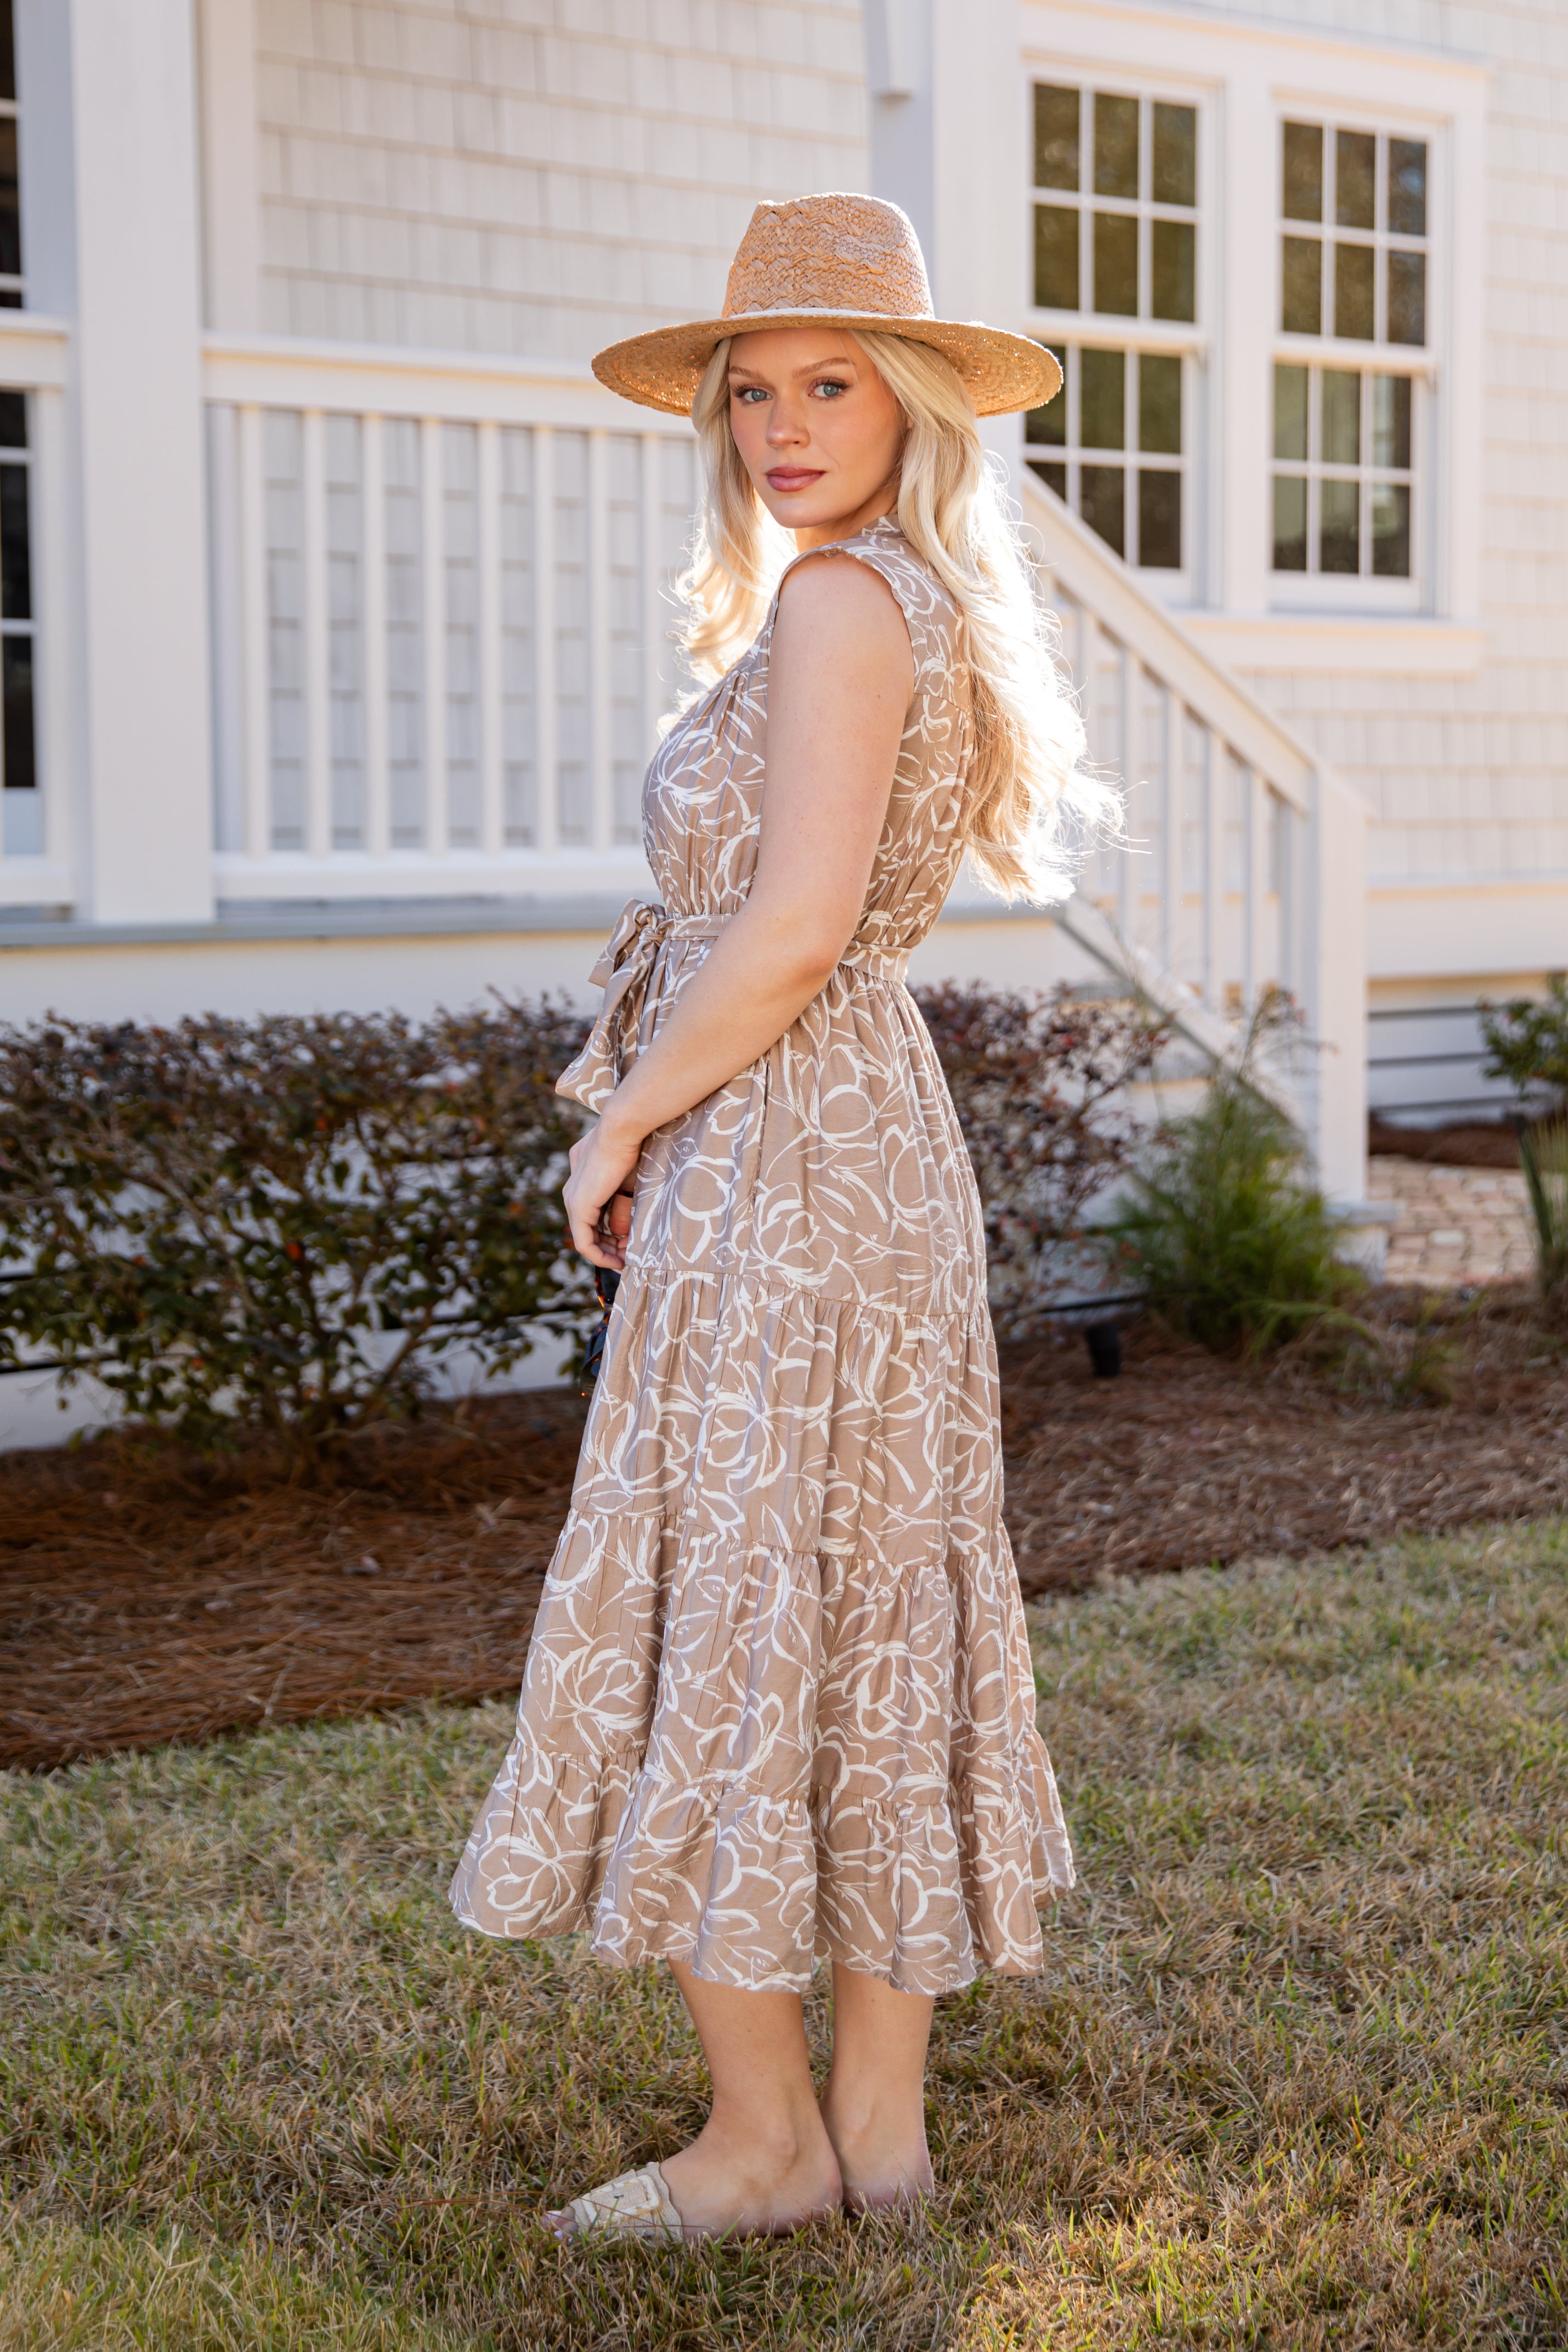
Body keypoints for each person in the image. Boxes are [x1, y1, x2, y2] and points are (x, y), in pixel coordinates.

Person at [449, 191, 1102, 2243]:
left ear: (910, 402)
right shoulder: (896, 598)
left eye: (830, 384)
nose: (784, 424)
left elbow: (795, 925)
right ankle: (873, 2143)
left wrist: (615, 1120)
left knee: (737, 1592)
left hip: (779, 1129)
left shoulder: (839, 604)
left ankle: (763, 2150)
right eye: (753, 392)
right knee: (861, 1595)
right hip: (863, 1140)